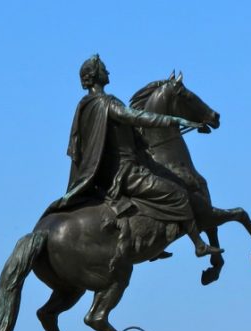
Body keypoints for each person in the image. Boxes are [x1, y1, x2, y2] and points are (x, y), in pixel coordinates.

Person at [45, 54, 206, 271]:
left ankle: (155, 243)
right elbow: (136, 118)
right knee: (177, 194)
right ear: (95, 76)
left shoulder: (84, 106)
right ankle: (199, 245)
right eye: (104, 69)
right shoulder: (105, 103)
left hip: (103, 175)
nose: (108, 72)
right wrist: (175, 120)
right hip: (125, 173)